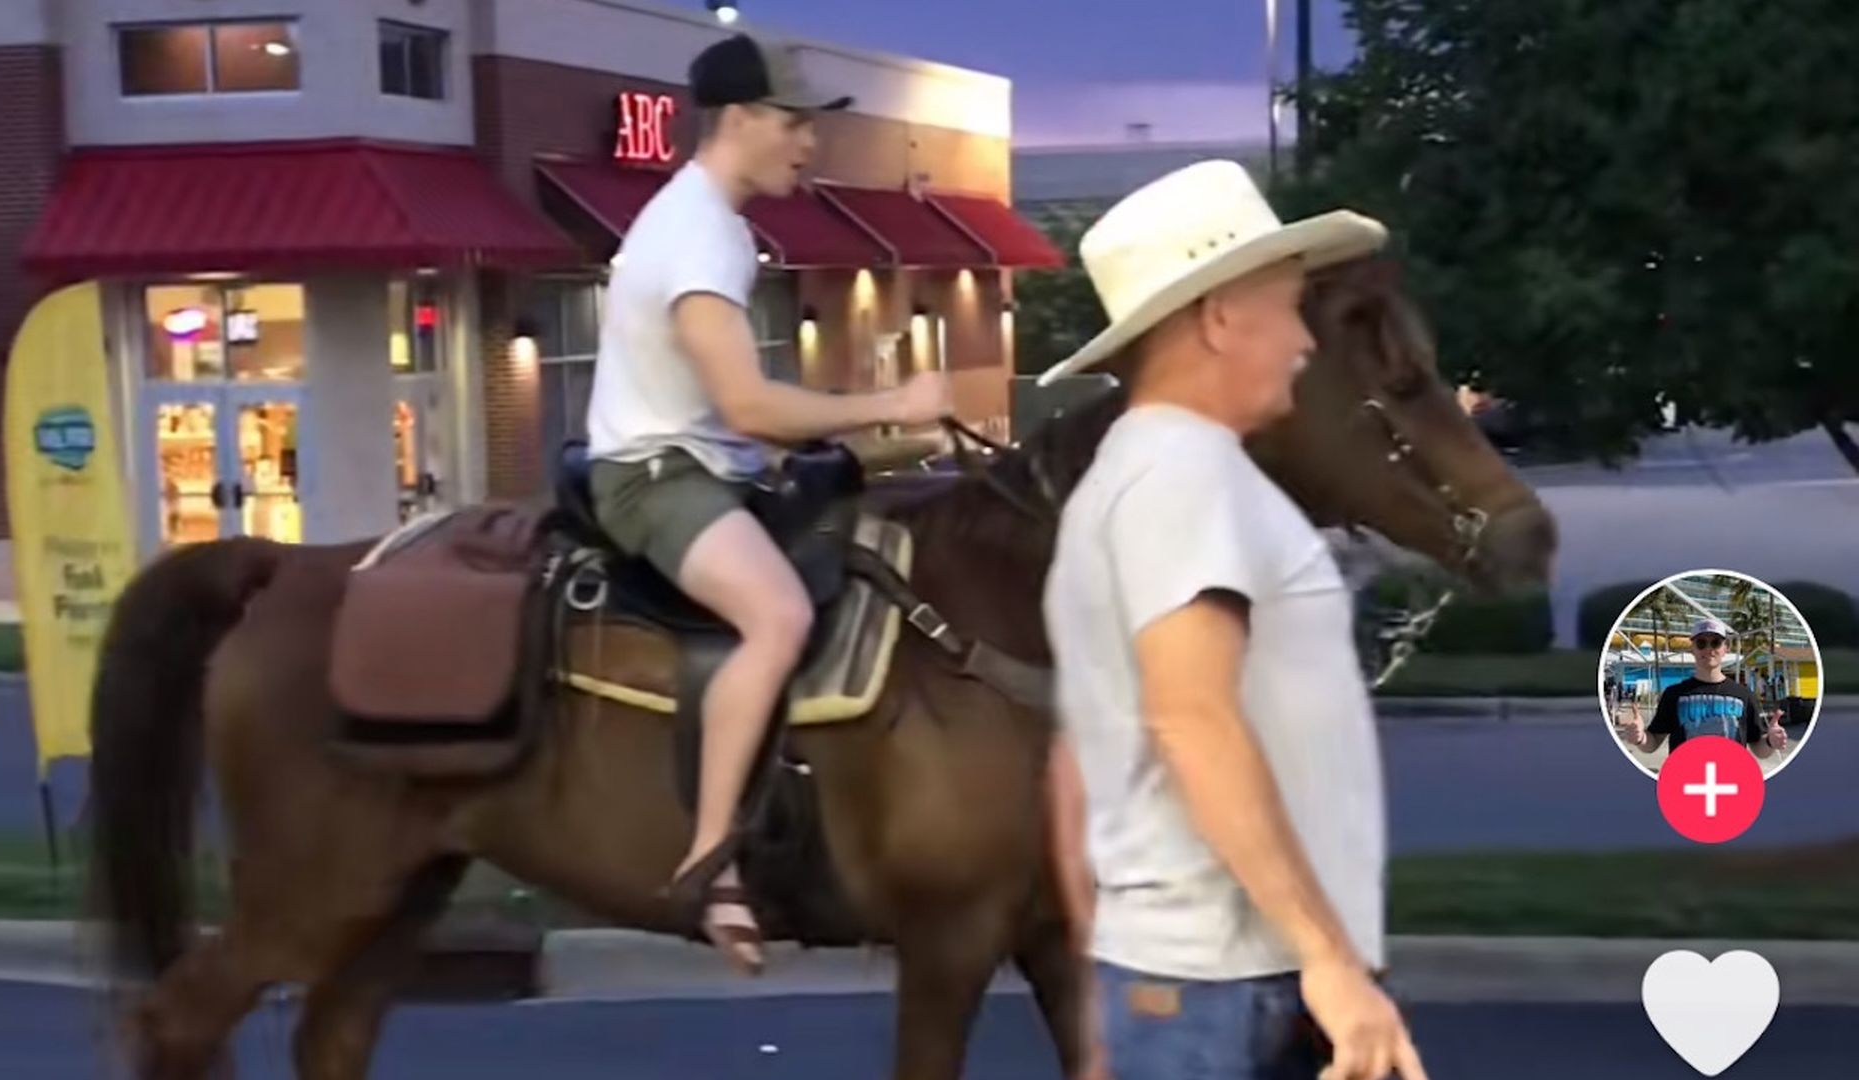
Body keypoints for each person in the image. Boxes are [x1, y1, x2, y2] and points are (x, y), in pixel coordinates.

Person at [1039, 158, 1427, 1079]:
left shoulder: (1138, 475)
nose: (1304, 341)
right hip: (1235, 988)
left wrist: (1108, 984)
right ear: (1218, 318)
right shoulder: (1182, 477)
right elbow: (1191, 718)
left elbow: (1080, 761)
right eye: (1288, 309)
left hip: (1203, 986)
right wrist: (1329, 961)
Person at [584, 33, 952, 973]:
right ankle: (712, 862)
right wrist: (894, 403)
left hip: (709, 463)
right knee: (779, 614)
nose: (808, 143)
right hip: (656, 478)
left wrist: (876, 441)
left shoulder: (714, 224)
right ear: (738, 119)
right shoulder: (700, 236)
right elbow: (749, 406)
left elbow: (743, 418)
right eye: (794, 123)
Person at [1619, 617, 1787, 760]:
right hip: (1684, 779)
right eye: (1701, 643)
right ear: (1692, 649)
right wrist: (1640, 738)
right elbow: (1653, 741)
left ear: (1725, 649)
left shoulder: (1743, 694)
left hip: (1731, 779)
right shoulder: (1673, 694)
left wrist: (1771, 742)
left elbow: (1759, 748)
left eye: (1715, 643)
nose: (1708, 649)